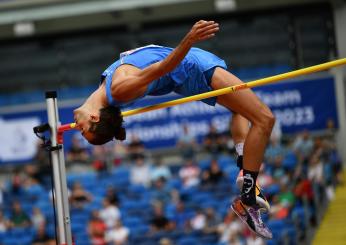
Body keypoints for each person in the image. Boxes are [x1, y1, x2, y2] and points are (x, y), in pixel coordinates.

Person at [73, 20, 275, 238]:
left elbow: (90, 114)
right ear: (94, 117)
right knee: (265, 119)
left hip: (189, 67)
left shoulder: (103, 92)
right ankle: (248, 195)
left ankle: (243, 167)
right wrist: (189, 38)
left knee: (241, 111)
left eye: (82, 132)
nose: (78, 128)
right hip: (192, 67)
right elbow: (163, 67)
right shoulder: (119, 89)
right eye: (83, 130)